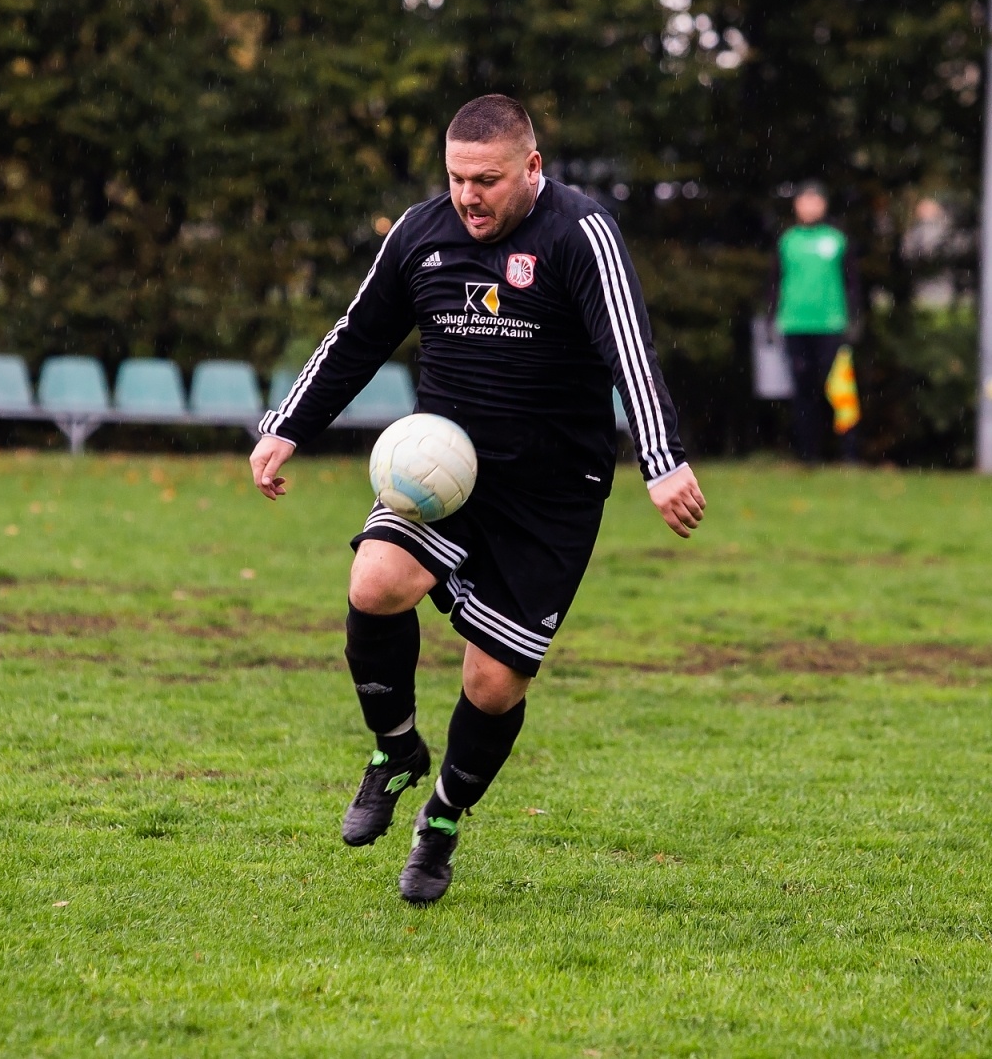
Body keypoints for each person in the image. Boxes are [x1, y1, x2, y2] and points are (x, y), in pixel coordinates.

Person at [248, 94, 705, 905]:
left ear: (533, 168)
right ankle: (394, 752)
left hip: (552, 494)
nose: (469, 196)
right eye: (457, 177)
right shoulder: (420, 235)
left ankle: (442, 821)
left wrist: (660, 459)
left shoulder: (579, 234)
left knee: (494, 686)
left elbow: (627, 344)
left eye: (487, 179)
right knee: (375, 583)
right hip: (443, 472)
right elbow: (357, 335)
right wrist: (289, 425)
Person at [768, 181, 861, 462]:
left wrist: (855, 319)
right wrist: (771, 318)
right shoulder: (787, 241)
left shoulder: (837, 239)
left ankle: (849, 455)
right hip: (795, 325)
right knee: (803, 391)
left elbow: (852, 282)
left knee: (840, 392)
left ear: (823, 204)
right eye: (804, 201)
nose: (809, 206)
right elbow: (774, 282)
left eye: (814, 200)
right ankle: (808, 455)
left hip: (832, 326)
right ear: (796, 205)